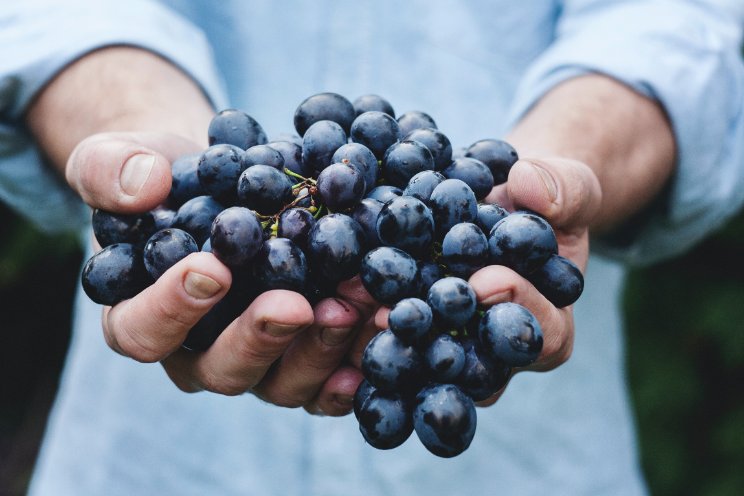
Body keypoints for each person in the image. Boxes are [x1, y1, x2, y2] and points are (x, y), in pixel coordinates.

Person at [1, 1, 742, 494]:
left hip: (528, 461)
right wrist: (134, 123)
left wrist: (563, 164)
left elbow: (678, 22)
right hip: (155, 461)